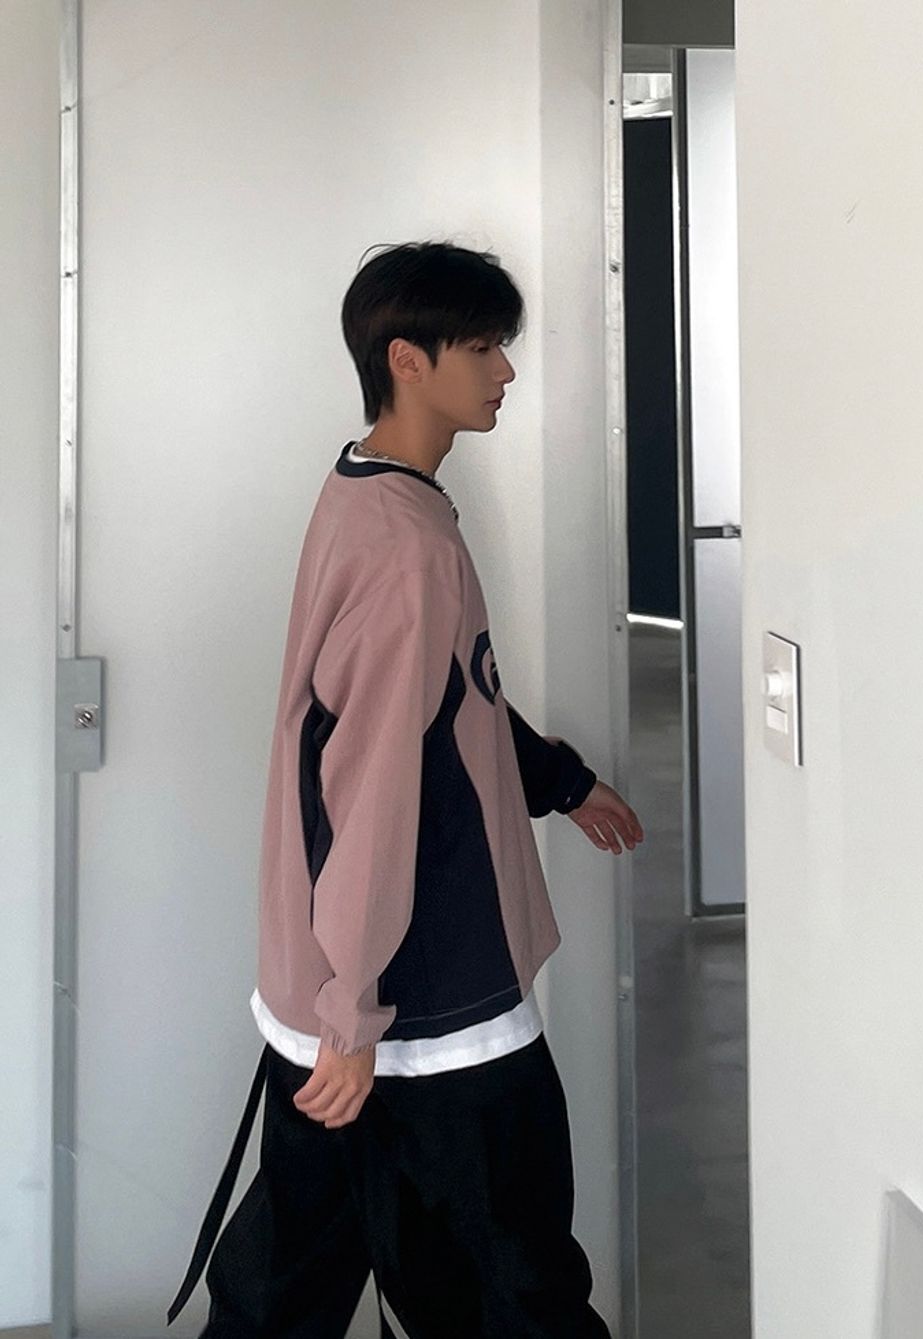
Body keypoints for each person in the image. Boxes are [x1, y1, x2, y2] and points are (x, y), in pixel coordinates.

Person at [168, 240, 644, 1338]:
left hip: (353, 986)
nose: (506, 371)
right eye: (484, 347)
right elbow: (375, 788)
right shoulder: (408, 550)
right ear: (407, 359)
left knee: (290, 1280)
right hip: (426, 996)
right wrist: (354, 1015)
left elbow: (445, 707)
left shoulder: (367, 497)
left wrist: (558, 780)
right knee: (515, 1285)